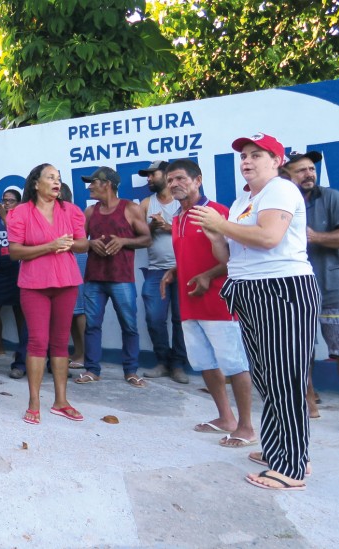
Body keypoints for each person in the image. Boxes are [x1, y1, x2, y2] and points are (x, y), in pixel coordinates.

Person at [189, 133, 318, 491]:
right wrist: (215, 235)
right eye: (244, 155)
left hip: (281, 289)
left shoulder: (280, 189)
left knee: (284, 380)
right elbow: (227, 258)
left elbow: (268, 238)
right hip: (249, 290)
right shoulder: (243, 200)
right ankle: (280, 448)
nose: (246, 161)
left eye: (256, 155)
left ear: (276, 161)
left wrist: (219, 225)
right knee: (266, 378)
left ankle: (292, 467)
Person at [160, 159, 256, 446]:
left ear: (198, 180)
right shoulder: (177, 218)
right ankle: (225, 418)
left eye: (180, 179)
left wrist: (208, 275)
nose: (174, 184)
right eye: (170, 181)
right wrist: (175, 271)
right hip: (190, 303)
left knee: (235, 364)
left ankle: (247, 427)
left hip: (219, 302)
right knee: (205, 362)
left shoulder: (217, 212)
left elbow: (236, 258)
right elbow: (192, 253)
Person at [7, 164, 89, 425]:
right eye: (50, 177)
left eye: (58, 178)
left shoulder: (72, 210)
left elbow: (83, 244)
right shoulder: (20, 212)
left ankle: (61, 402)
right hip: (34, 285)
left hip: (66, 283)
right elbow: (15, 252)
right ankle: (34, 402)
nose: (56, 182)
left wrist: (70, 245)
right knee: (37, 342)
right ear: (35, 183)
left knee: (60, 342)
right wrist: (49, 246)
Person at [76, 167, 152, 387]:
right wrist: (90, 243)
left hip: (121, 279)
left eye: (93, 182)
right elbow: (79, 242)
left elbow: (146, 239)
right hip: (94, 278)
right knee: (92, 326)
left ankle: (130, 371)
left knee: (129, 326)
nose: (89, 187)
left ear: (106, 184)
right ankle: (92, 370)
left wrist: (124, 241)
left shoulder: (130, 208)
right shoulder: (90, 212)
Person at [286, 150, 339, 420]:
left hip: (332, 287)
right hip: (295, 288)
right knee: (299, 349)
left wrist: (314, 236)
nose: (309, 174)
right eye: (301, 170)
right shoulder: (281, 201)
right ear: (287, 175)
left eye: (311, 169)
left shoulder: (331, 197)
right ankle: (309, 401)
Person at [137, 160, 189, 384]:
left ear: (166, 175)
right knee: (154, 318)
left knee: (181, 320)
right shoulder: (146, 203)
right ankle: (162, 361)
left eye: (152, 175)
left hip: (184, 270)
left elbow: (197, 233)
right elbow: (139, 237)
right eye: (147, 176)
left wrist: (168, 227)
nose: (148, 179)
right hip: (156, 270)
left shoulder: (184, 202)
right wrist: (151, 227)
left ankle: (178, 365)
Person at [0, 189, 28, 377]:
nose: (6, 204)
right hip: (1, 270)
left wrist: (5, 216)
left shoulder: (20, 217)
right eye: (4, 200)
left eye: (11, 201)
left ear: (19, 203)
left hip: (18, 269)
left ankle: (22, 349)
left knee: (20, 311)